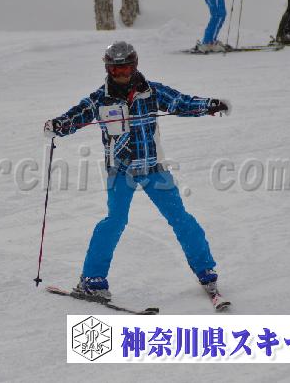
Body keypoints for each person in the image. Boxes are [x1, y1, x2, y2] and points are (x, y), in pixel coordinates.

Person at [43, 41, 231, 301]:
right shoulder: (100, 98)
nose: (121, 74)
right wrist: (59, 124)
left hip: (154, 168)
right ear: (108, 69)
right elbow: (78, 115)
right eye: (115, 69)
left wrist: (208, 105)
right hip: (120, 171)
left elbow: (181, 102)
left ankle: (205, 270)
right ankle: (92, 279)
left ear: (135, 66)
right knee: (115, 221)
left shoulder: (151, 92)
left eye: (126, 68)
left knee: (180, 218)